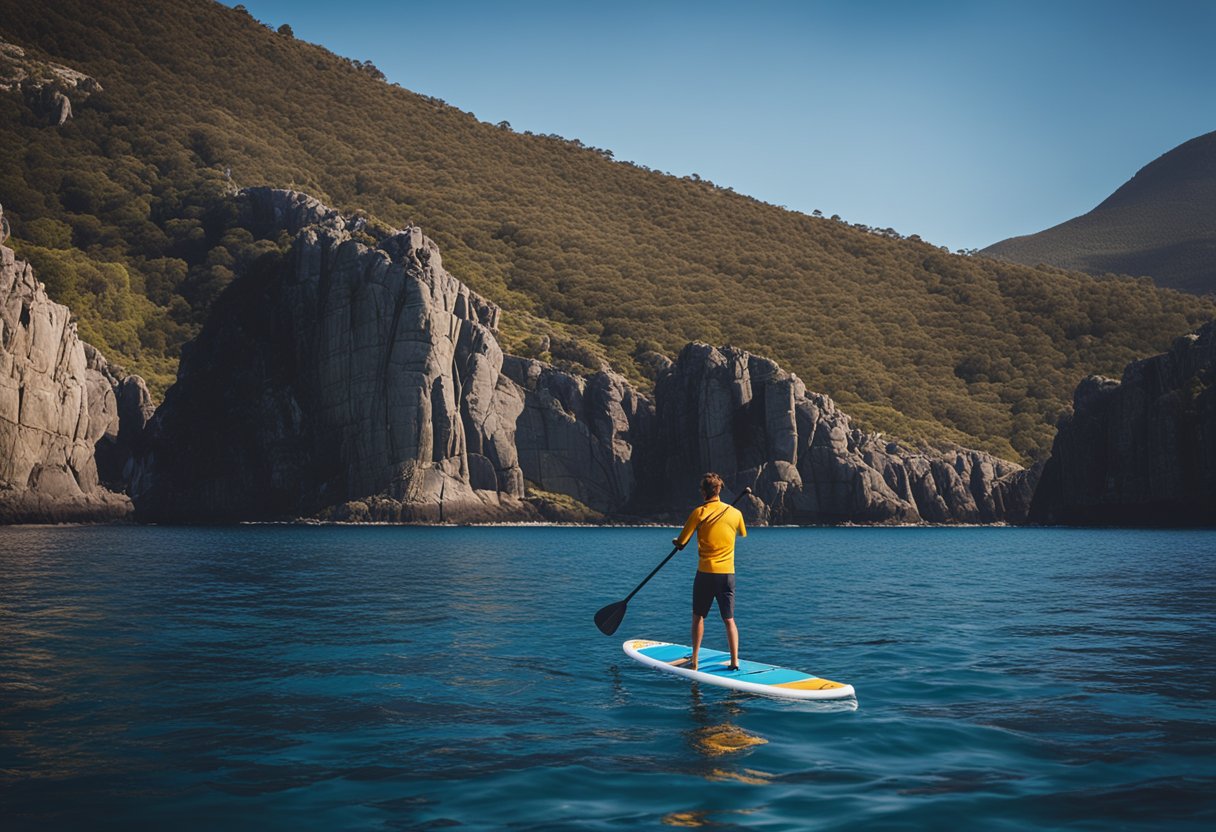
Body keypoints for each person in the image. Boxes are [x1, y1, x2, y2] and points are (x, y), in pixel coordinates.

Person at [672, 472, 747, 671]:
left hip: (706, 573)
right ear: (719, 490)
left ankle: (694, 661)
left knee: (698, 617)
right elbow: (742, 532)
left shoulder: (699, 512)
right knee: (729, 619)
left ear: (704, 491)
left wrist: (677, 543)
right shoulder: (735, 513)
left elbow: (682, 541)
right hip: (727, 575)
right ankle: (734, 661)